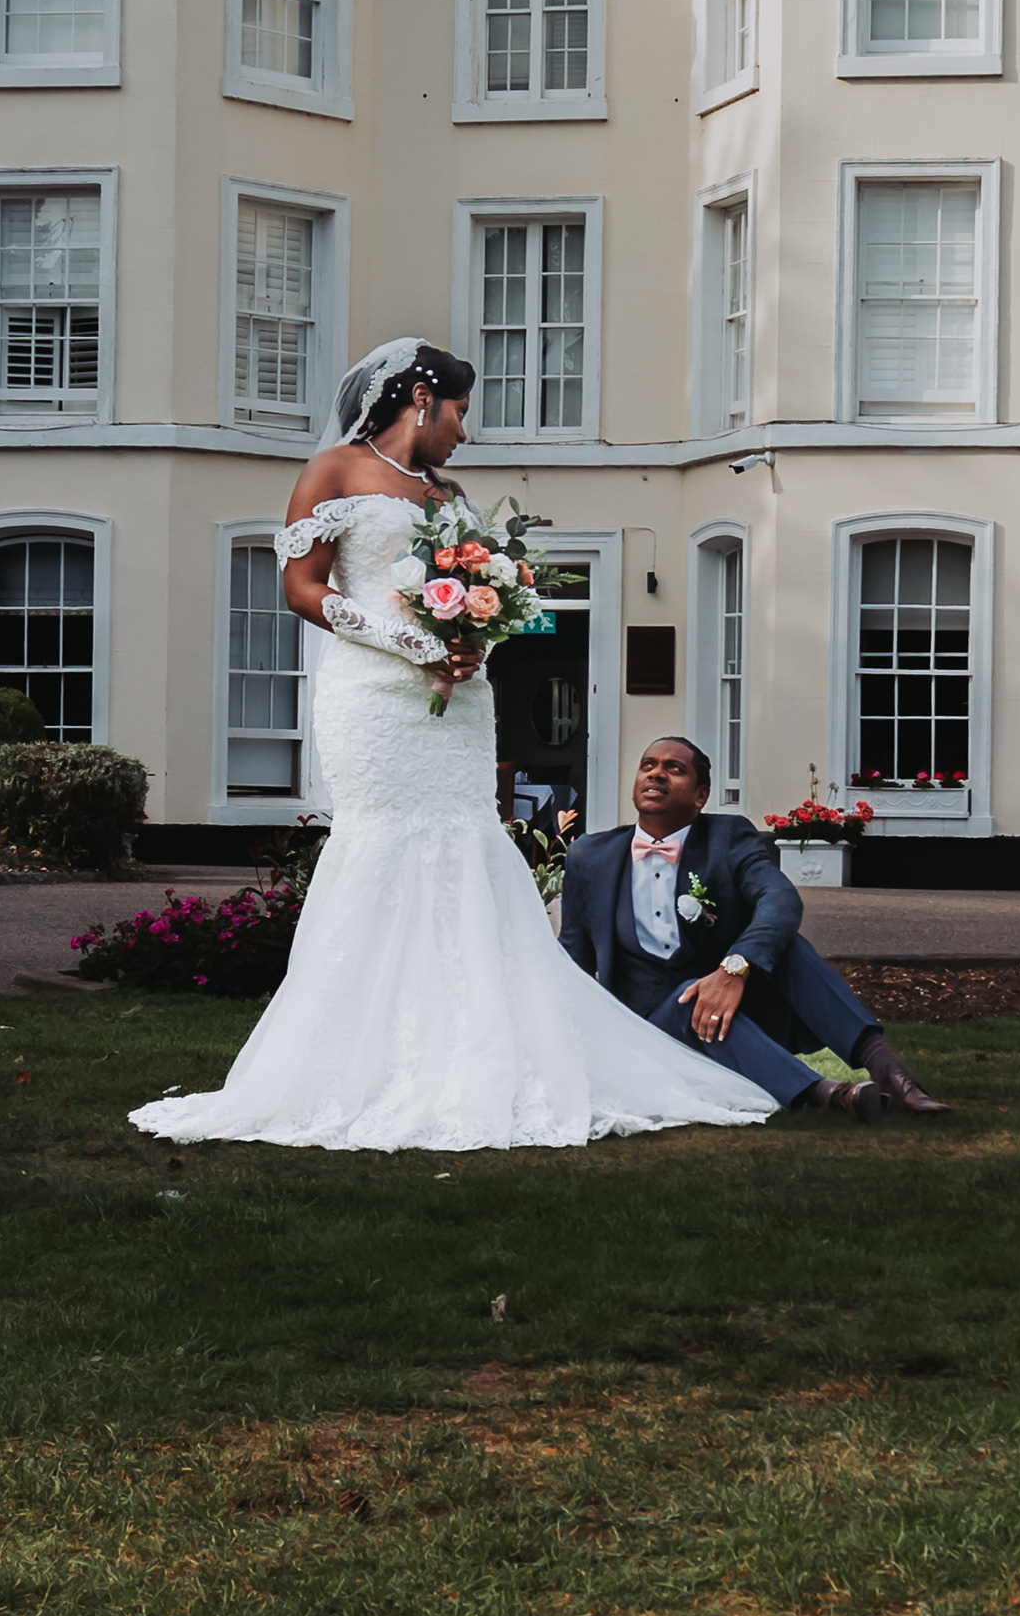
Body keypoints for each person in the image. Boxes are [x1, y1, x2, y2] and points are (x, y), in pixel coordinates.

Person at [130, 339, 784, 1151]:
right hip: (375, 700)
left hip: (464, 706)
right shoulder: (333, 471)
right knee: (382, 846)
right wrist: (414, 646)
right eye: (461, 413)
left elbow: (484, 598)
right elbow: (301, 587)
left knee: (469, 843)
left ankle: (487, 1048)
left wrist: (476, 644)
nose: (464, 433)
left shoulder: (453, 496)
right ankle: (353, 1063)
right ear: (421, 399)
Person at [558, 737, 952, 1119]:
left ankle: (889, 1070)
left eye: (674, 769)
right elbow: (573, 958)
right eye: (648, 765)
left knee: (787, 946)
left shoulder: (728, 838)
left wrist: (735, 968)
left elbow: (780, 900)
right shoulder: (590, 856)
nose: (656, 774)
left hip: (740, 1015)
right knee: (691, 998)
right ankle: (830, 1094)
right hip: (650, 1030)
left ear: (700, 796)